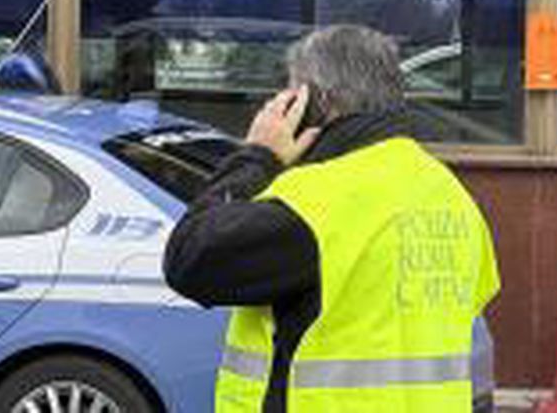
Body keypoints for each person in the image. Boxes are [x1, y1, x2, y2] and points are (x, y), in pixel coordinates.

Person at [164, 24, 499, 412]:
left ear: (314, 102)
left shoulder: (316, 204)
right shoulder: (450, 196)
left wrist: (258, 156)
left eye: (291, 95)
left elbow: (189, 259)